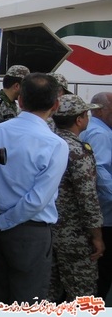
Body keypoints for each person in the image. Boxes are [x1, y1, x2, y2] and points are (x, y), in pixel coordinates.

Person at [0, 73, 69, 304]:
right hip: (29, 232)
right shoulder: (55, 144)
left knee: (0, 297)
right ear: (55, 104)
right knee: (28, 302)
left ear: (20, 100)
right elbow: (37, 200)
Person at [49, 94, 104, 302]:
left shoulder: (47, 144)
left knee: (48, 293)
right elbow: (87, 197)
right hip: (74, 235)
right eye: (86, 114)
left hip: (45, 231)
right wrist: (97, 236)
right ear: (79, 119)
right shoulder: (78, 151)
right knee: (83, 296)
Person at [81, 92, 112, 299]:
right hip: (104, 213)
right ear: (100, 110)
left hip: (94, 211)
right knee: (102, 272)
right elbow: (100, 170)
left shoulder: (91, 129)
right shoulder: (101, 134)